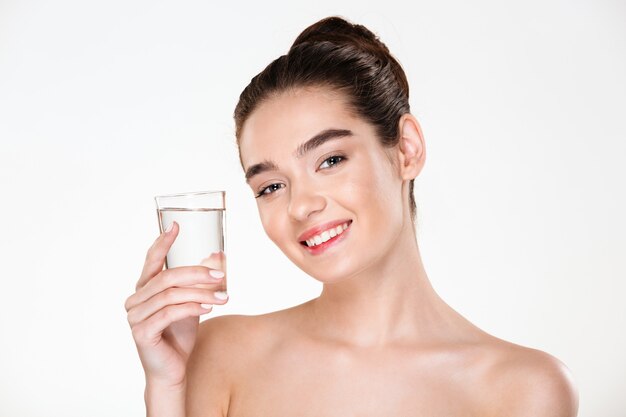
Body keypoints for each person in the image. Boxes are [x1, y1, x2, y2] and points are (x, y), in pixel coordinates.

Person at [125, 16, 579, 416]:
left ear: (406, 149)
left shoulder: (524, 390)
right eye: (271, 187)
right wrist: (167, 388)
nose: (300, 205)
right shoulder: (220, 355)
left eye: (330, 160)